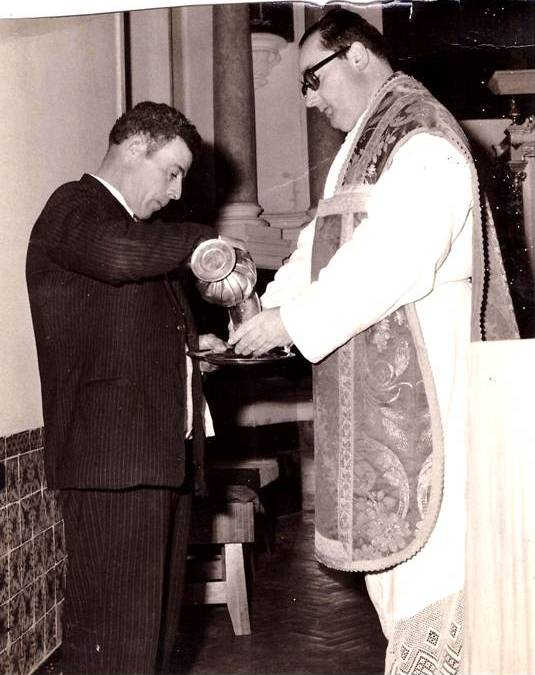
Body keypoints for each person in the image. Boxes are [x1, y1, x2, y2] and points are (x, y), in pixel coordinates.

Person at [229, 8, 518, 672]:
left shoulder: (421, 135)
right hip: (379, 366)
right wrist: (265, 313)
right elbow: (322, 246)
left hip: (428, 369)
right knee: (401, 577)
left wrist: (291, 322)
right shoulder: (366, 145)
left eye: (313, 79)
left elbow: (394, 256)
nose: (310, 99)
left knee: (436, 563)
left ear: (357, 55)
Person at [26, 101, 228, 674]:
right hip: (113, 465)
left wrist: (192, 351)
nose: (176, 192)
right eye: (172, 172)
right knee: (118, 650)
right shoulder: (73, 206)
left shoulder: (132, 232)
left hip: (153, 461)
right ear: (136, 146)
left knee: (149, 647)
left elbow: (121, 328)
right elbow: (117, 257)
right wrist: (206, 242)